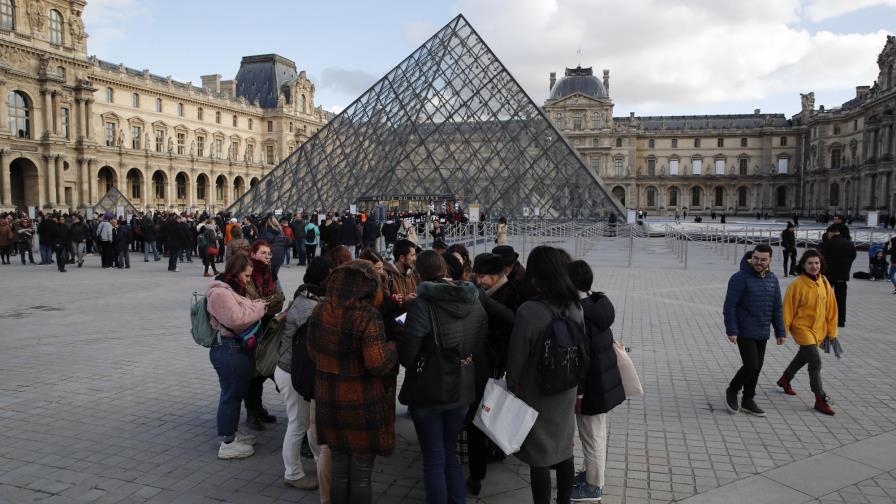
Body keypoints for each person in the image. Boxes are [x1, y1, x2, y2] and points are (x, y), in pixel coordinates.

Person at [307, 260, 398, 504]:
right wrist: (393, 346)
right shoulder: (367, 316)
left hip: (329, 399)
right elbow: (377, 363)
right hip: (360, 404)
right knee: (360, 474)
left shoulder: (320, 310)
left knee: (339, 469)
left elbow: (312, 352)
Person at [399, 251, 486, 504]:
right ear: (446, 271)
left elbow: (407, 355)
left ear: (419, 274)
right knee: (449, 452)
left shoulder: (422, 305)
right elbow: (480, 339)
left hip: (430, 387)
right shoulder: (474, 298)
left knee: (433, 457)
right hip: (462, 386)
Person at [506, 246, 582, 504]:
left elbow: (516, 359)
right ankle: (564, 501)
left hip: (537, 391)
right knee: (563, 447)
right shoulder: (575, 307)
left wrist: (511, 384)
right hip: (567, 387)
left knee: (539, 454)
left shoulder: (529, 311)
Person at [274, 257, 334, 492]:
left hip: (296, 371)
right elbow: (316, 341)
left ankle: (321, 464)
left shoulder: (308, 296)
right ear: (323, 278)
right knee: (298, 424)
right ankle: (293, 473)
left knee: (308, 423)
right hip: (293, 373)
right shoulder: (307, 305)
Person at [568, 260, 624, 502]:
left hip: (591, 386)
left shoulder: (580, 313)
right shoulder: (596, 304)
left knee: (592, 437)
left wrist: (578, 392)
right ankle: (591, 476)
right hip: (601, 383)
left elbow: (583, 359)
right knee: (595, 434)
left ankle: (593, 487)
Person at [206, 253, 268, 459]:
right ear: (236, 272)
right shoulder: (220, 293)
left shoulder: (231, 288)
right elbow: (236, 319)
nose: (248, 280)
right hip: (228, 349)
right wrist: (259, 307)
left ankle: (231, 432)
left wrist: (254, 304)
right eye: (247, 276)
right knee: (231, 396)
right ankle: (227, 442)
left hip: (235, 349)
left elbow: (241, 309)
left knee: (235, 393)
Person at [466, 253, 516, 495]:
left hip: (493, 364)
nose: (479, 280)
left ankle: (482, 466)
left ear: (498, 276)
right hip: (487, 363)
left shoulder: (508, 294)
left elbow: (508, 325)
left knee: (482, 414)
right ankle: (487, 455)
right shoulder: (488, 291)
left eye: (483, 276)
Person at [722, 244, 786, 416]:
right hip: (744, 330)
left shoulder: (772, 279)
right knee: (751, 365)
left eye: (763, 259)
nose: (759, 262)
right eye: (756, 258)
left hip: (762, 330)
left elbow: (776, 308)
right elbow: (730, 306)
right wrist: (732, 330)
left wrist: (780, 331)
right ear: (751, 257)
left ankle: (748, 400)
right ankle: (732, 390)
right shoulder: (739, 278)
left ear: (770, 260)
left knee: (757, 367)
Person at [776, 250, 838, 415]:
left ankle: (785, 379)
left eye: (816, 263)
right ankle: (820, 398)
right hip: (802, 328)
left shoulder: (824, 282)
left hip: (818, 329)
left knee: (804, 356)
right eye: (810, 263)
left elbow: (832, 309)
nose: (814, 266)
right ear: (803, 265)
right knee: (815, 362)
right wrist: (783, 332)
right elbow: (787, 310)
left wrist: (832, 332)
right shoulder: (797, 285)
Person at [244, 240, 284, 431]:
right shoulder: (247, 273)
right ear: (253, 253)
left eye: (269, 253)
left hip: (268, 327)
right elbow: (249, 302)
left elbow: (280, 301)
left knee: (265, 369)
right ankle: (252, 413)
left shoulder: (271, 273)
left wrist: (263, 303)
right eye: (263, 253)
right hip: (250, 328)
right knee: (254, 373)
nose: (267, 256)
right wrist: (265, 303)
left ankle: (257, 409)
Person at [818, 225, 856, 328]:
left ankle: (825, 317)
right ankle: (841, 320)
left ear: (830, 233)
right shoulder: (849, 244)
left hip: (828, 275)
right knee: (841, 298)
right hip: (842, 275)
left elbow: (821, 258)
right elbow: (853, 256)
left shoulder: (827, 244)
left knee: (825, 297)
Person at [385, 239, 419, 306]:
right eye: (412, 255)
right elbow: (383, 306)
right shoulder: (387, 276)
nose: (415, 258)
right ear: (402, 258)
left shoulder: (414, 273)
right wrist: (404, 300)